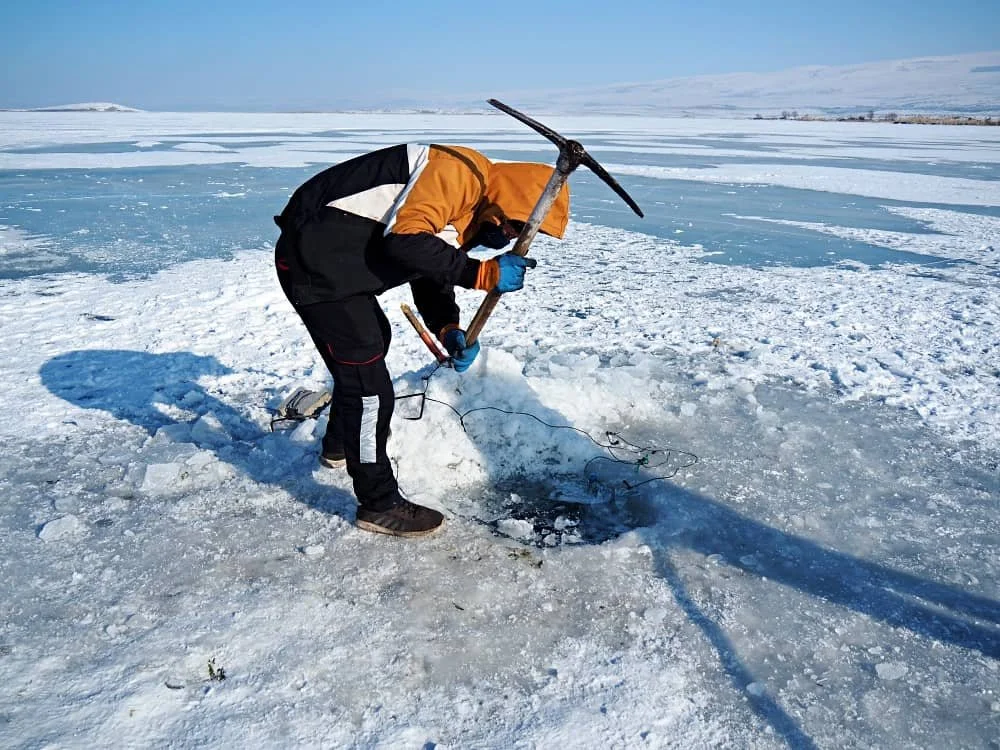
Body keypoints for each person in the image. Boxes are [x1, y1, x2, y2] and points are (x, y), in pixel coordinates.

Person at [273, 144, 570, 538]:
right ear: (508, 200)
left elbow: (428, 268)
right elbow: (406, 242)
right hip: (314, 263)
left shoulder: (472, 210)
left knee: (373, 342)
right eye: (515, 226)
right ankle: (378, 503)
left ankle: (339, 445)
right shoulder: (457, 174)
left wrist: (448, 326)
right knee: (369, 386)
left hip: (338, 267)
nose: (510, 236)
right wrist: (480, 274)